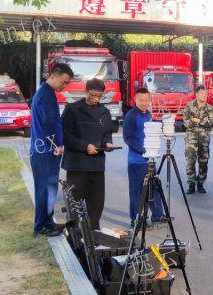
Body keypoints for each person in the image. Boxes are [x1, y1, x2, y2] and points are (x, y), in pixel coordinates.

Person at [62, 78, 114, 230]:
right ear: (85, 91)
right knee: (74, 204)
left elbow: (107, 132)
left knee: (96, 204)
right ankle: (74, 233)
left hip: (97, 166)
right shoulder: (72, 109)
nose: (96, 99)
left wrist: (108, 142)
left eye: (99, 96)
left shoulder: (104, 112)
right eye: (93, 95)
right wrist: (85, 146)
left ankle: (94, 232)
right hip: (77, 165)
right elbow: (65, 135)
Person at [30, 63, 72, 236]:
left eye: (67, 83)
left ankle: (48, 221)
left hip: (45, 150)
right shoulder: (46, 95)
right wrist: (56, 145)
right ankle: (40, 226)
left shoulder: (46, 92)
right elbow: (48, 123)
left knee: (49, 189)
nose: (65, 86)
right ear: (53, 76)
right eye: (63, 82)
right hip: (45, 151)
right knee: (44, 189)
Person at [123, 87, 165, 224]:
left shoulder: (148, 114)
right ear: (135, 99)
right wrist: (144, 150)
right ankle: (137, 220)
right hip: (136, 161)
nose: (144, 103)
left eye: (146, 100)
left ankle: (158, 215)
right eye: (141, 100)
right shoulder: (131, 116)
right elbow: (128, 138)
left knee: (154, 187)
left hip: (149, 159)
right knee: (137, 192)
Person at [182, 84, 213, 194]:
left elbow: (210, 122)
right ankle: (191, 184)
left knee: (203, 162)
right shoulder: (189, 106)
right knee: (190, 162)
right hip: (191, 140)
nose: (204, 95)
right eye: (201, 93)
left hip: (204, 140)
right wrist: (203, 121)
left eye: (205, 93)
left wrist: (196, 120)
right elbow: (186, 123)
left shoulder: (210, 108)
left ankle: (200, 184)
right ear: (196, 94)